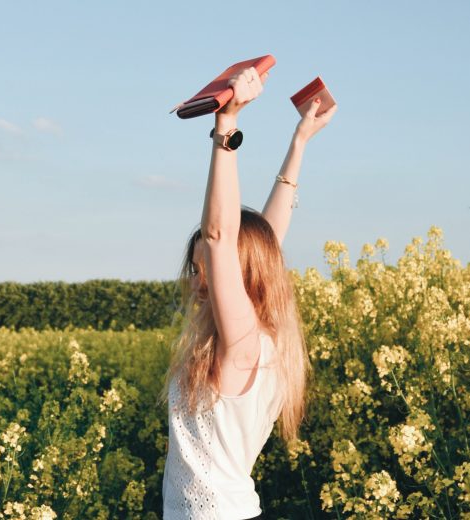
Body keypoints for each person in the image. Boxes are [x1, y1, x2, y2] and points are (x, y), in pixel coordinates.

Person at [160, 67, 337, 519]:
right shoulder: (262, 337)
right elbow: (266, 243)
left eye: (209, 271)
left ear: (239, 277)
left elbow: (223, 238)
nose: (201, 281)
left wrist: (226, 125)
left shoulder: (241, 342)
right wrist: (300, 143)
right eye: (196, 269)